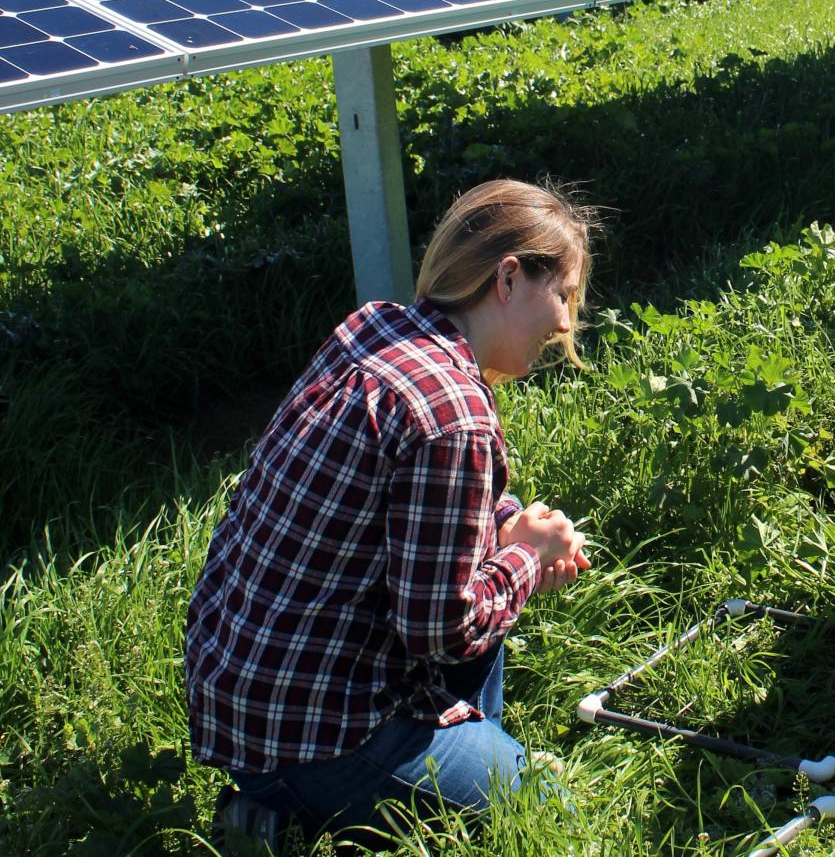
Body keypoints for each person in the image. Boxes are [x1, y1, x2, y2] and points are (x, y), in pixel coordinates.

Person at [188, 179, 596, 841]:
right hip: (310, 734)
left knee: (488, 580)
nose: (564, 323)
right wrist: (526, 554)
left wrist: (505, 530)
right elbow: (441, 629)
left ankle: (308, 807)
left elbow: (415, 522)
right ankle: (311, 809)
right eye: (564, 294)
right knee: (544, 813)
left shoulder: (377, 326)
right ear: (510, 277)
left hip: (238, 696)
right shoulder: (452, 415)